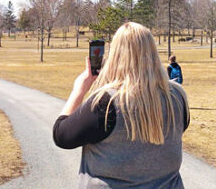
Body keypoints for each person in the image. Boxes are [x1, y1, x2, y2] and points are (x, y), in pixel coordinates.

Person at [53, 22, 190, 188]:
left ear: (116, 55)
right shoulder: (176, 96)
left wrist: (79, 90)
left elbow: (62, 135)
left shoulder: (107, 103)